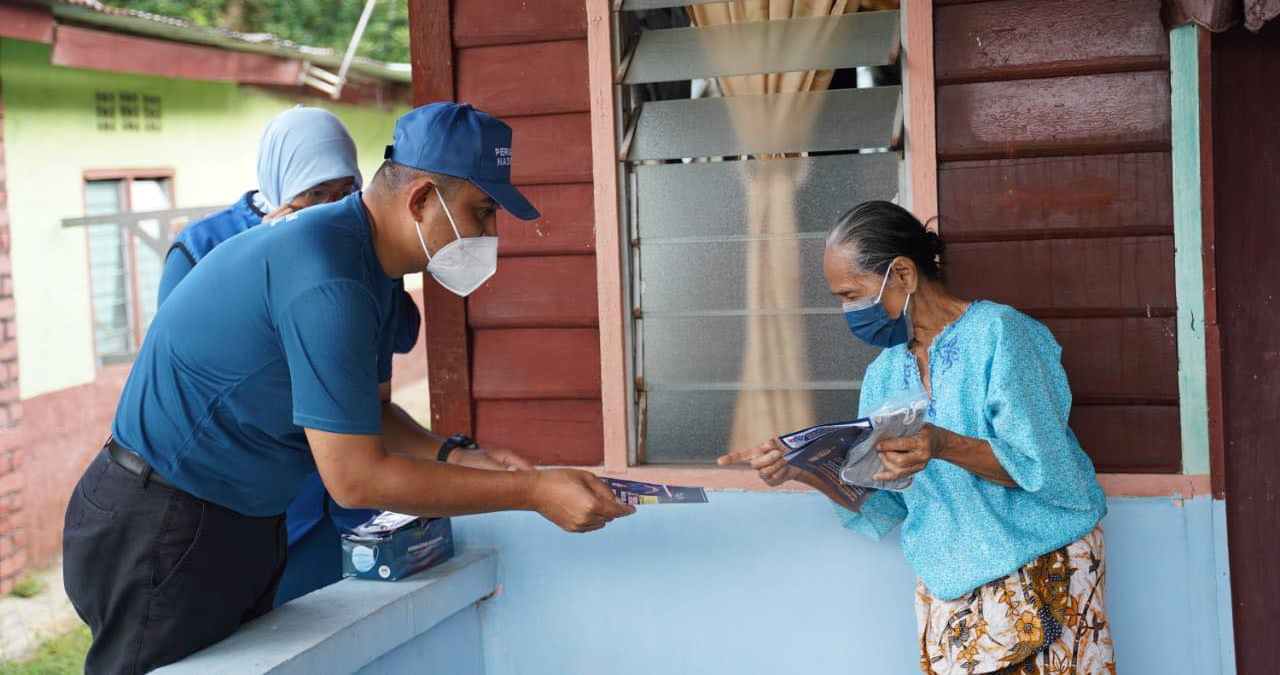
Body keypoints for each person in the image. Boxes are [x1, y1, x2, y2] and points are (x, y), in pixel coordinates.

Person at [63, 102, 635, 673]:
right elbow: (357, 478)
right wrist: (532, 493)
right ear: (420, 199)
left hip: (242, 519)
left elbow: (373, 411)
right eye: (482, 212)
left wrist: (460, 455)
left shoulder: (373, 268)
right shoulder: (330, 277)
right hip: (163, 519)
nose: (490, 234)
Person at [720, 201, 1112, 674]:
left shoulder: (1000, 335)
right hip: (949, 588)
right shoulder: (883, 374)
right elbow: (890, 503)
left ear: (903, 274)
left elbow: (1045, 468)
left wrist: (942, 444)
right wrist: (805, 469)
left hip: (1040, 567)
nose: (848, 311)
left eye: (852, 294)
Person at [156, 104, 435, 605]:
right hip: (250, 495)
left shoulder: (359, 244)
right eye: (315, 195)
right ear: (282, 187)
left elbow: (395, 339)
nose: (330, 207)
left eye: (344, 192)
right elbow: (186, 375)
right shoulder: (205, 247)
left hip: (350, 487)